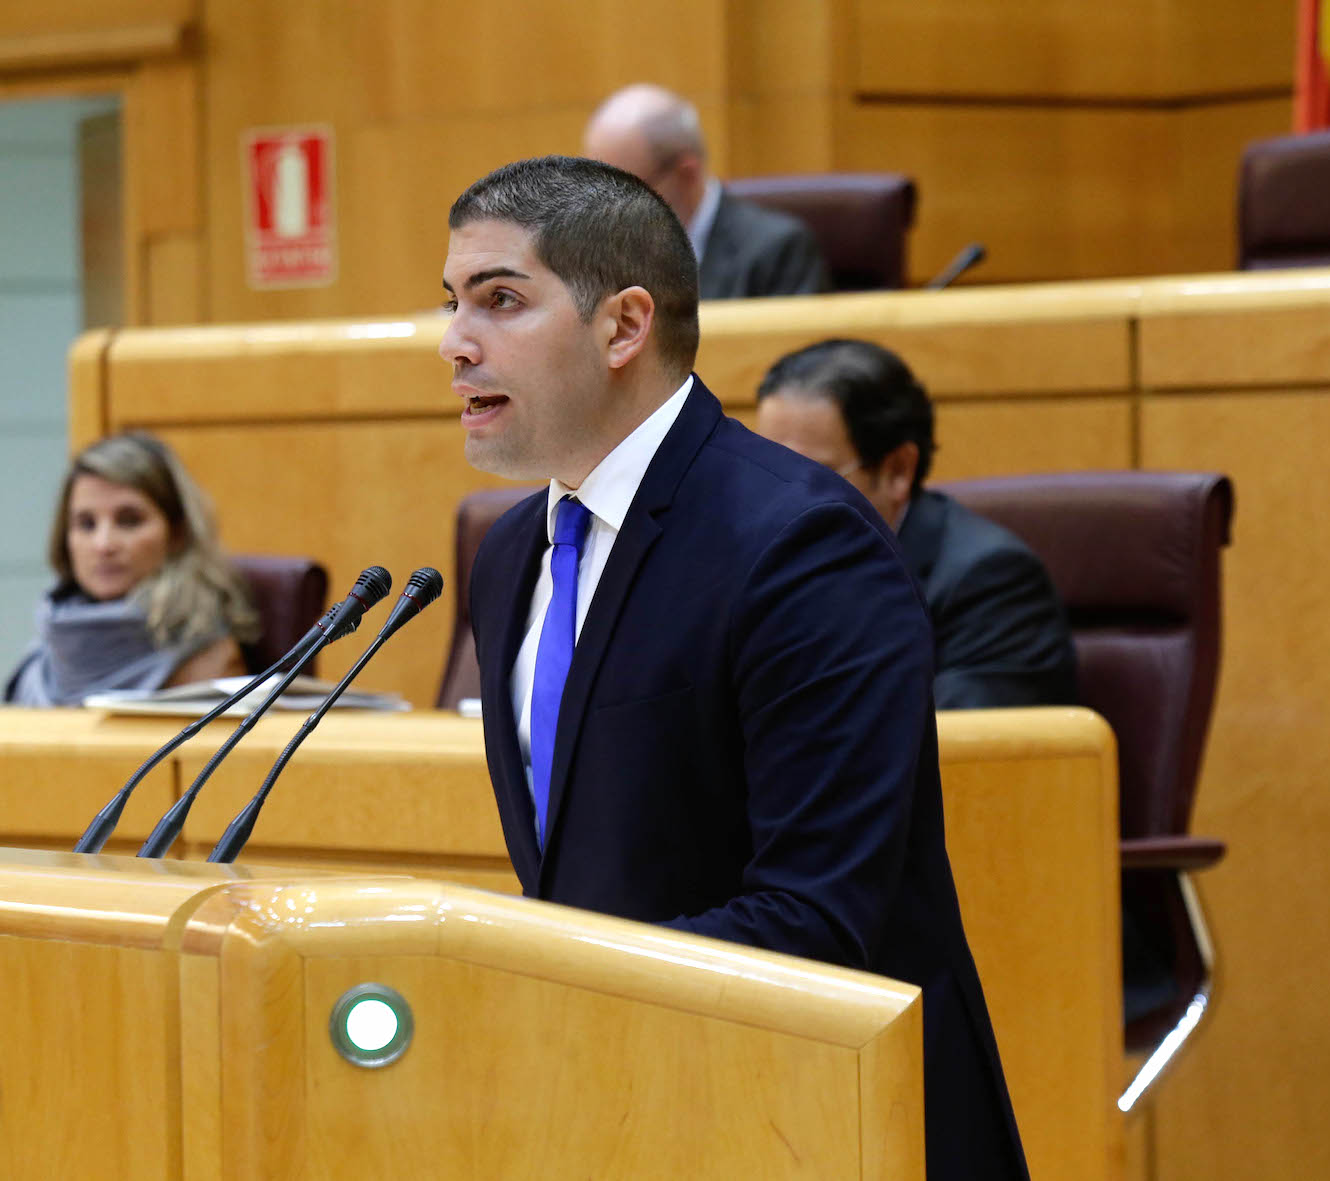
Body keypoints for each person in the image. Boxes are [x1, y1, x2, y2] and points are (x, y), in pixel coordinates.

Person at [440, 155, 1028, 1180]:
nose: (453, 342)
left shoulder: (798, 542)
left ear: (623, 326)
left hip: (824, 1120)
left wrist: (544, 988)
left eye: (499, 299)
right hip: (632, 1109)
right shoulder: (508, 556)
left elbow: (817, 910)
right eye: (451, 301)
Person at [755, 339, 1078, 709]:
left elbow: (966, 752)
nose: (775, 502)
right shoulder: (756, 570)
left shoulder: (989, 585)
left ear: (897, 471)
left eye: (810, 477)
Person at [5, 432, 258, 706]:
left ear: (177, 533)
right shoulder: (49, 646)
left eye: (129, 521)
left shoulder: (206, 657)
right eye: (86, 524)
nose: (103, 545)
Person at [582, 83, 830, 300]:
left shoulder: (778, 250)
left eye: (625, 190)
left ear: (686, 174)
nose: (608, 209)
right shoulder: (599, 256)